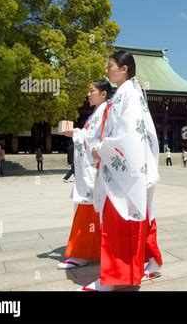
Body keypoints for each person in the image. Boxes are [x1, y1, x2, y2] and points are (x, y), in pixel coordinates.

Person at [88, 50, 163, 291]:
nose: (107, 70)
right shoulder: (126, 93)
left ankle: (112, 277)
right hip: (127, 167)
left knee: (118, 222)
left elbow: (126, 134)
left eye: (110, 66)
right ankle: (124, 272)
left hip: (124, 168)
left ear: (124, 69)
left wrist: (102, 148)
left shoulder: (128, 94)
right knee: (130, 221)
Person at [57, 80, 112, 270]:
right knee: (93, 210)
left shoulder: (106, 111)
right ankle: (92, 251)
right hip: (91, 167)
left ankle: (81, 253)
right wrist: (76, 133)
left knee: (88, 209)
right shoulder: (96, 114)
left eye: (92, 91)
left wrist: (76, 133)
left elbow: (99, 139)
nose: (88, 94)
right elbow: (90, 136)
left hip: (96, 168)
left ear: (103, 94)